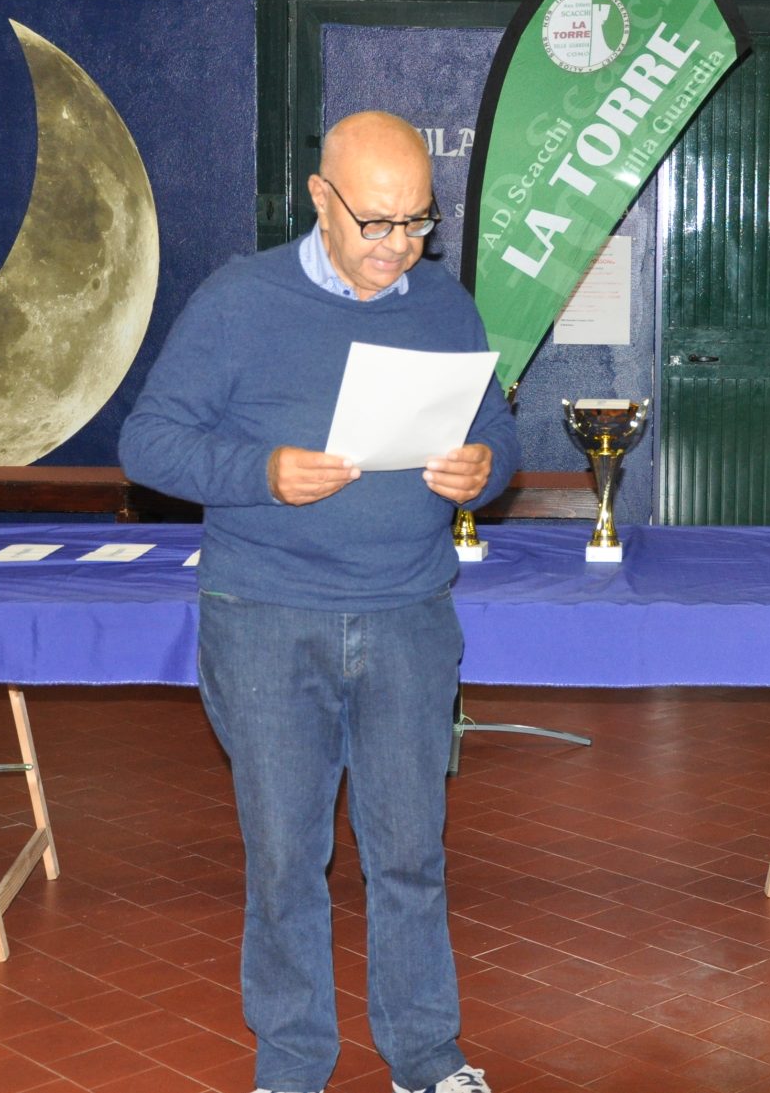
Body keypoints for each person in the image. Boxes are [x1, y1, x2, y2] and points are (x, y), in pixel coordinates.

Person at [121, 110, 518, 1093]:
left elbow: (497, 432)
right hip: (265, 617)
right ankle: (293, 1065)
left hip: (409, 616)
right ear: (319, 199)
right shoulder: (237, 301)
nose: (398, 249)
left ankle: (425, 1056)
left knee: (409, 853)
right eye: (376, 223)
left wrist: (482, 467)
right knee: (288, 860)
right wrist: (263, 470)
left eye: (418, 222)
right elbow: (148, 443)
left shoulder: (442, 304)